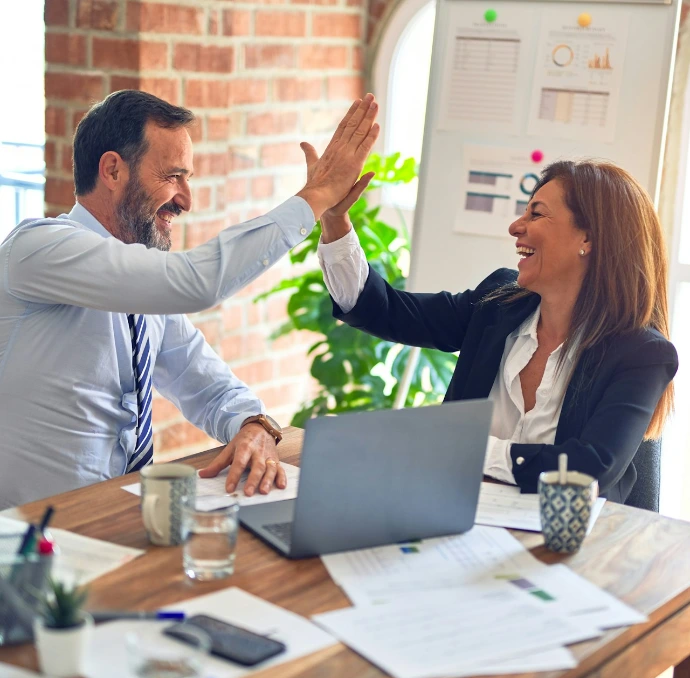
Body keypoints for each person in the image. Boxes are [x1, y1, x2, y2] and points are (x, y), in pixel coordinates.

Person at [0, 89, 379, 510]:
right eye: (172, 176)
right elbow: (197, 282)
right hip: (28, 539)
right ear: (112, 170)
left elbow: (208, 386)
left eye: (188, 179)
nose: (186, 200)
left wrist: (253, 425)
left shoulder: (140, 290)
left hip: (114, 520)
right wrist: (317, 196)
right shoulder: (38, 249)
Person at [316, 159, 678, 504]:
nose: (516, 226)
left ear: (588, 238)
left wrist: (466, 448)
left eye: (536, 213)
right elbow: (385, 310)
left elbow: (587, 470)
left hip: (570, 548)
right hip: (456, 520)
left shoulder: (642, 354)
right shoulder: (497, 304)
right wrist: (335, 219)